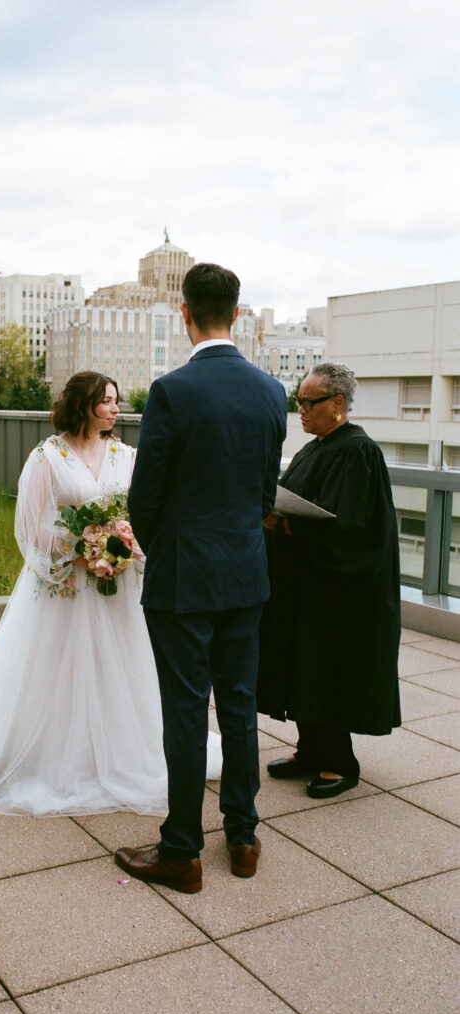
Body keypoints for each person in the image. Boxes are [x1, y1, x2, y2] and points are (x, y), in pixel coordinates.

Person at [0, 371, 222, 816]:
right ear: (85, 406)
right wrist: (79, 552)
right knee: (59, 669)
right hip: (66, 585)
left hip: (117, 587)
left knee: (119, 667)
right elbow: (31, 527)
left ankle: (125, 752)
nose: (116, 409)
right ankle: (56, 758)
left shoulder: (126, 456)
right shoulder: (48, 457)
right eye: (107, 401)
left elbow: (145, 512)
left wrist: (123, 548)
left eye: (116, 401)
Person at [114, 263, 287, 893]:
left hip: (185, 578)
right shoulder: (272, 393)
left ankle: (182, 851)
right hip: (246, 573)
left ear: (184, 315)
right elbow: (266, 491)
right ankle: (243, 836)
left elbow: (145, 498)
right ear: (236, 315)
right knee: (240, 707)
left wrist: (166, 552)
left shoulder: (172, 390)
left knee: (186, 714)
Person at [258, 363, 401, 798]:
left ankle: (340, 761)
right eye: (298, 402)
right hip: (307, 582)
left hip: (341, 590)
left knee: (328, 669)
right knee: (302, 666)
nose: (300, 411)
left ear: (338, 403)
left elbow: (353, 527)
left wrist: (287, 527)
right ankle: (310, 750)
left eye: (309, 402)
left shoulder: (358, 452)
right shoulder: (315, 448)